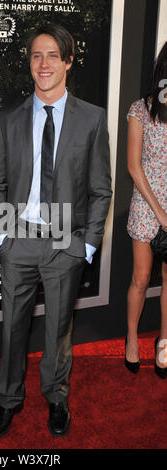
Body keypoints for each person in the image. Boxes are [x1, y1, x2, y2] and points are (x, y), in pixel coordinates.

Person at [0, 23, 112, 439]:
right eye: (37, 55)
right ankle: (8, 401)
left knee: (58, 329)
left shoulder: (92, 119)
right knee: (11, 328)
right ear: (30, 62)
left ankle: (56, 398)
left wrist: (87, 245)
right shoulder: (9, 118)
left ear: (69, 62)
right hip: (19, 238)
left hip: (65, 242)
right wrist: (4, 237)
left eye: (53, 55)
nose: (44, 64)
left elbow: (100, 188)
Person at [125, 42, 167, 379]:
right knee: (141, 278)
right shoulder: (140, 110)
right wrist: (160, 213)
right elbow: (133, 166)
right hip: (146, 202)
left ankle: (164, 342)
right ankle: (132, 337)